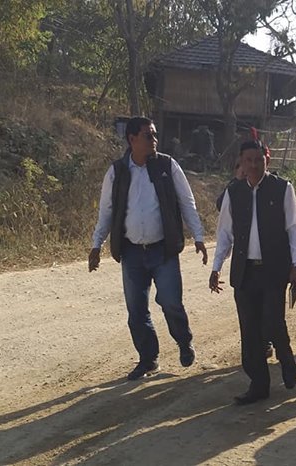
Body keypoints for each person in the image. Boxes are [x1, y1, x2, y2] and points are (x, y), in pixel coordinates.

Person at [89, 117, 208, 380]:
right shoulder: (117, 172)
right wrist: (96, 244)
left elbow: (187, 202)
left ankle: (183, 341)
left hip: (163, 250)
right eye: (148, 135)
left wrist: (198, 236)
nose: (154, 140)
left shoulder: (167, 166)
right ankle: (148, 359)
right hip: (132, 252)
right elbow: (106, 211)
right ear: (132, 139)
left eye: (154, 135)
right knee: (136, 310)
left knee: (171, 302)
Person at [209, 139, 296, 405]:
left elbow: (295, 228)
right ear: (241, 162)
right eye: (248, 160)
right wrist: (216, 267)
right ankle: (258, 384)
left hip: (274, 269)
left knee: (272, 322)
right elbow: (224, 233)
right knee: (249, 330)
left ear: (267, 160)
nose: (253, 165)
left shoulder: (282, 188)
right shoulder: (234, 192)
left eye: (258, 160)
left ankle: (285, 356)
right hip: (245, 271)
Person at [217, 161, 276, 360]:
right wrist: (237, 181)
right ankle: (255, 353)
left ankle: (268, 341)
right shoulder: (234, 191)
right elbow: (222, 214)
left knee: (269, 312)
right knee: (248, 313)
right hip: (244, 265)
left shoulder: (277, 188)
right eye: (243, 165)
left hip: (271, 264)